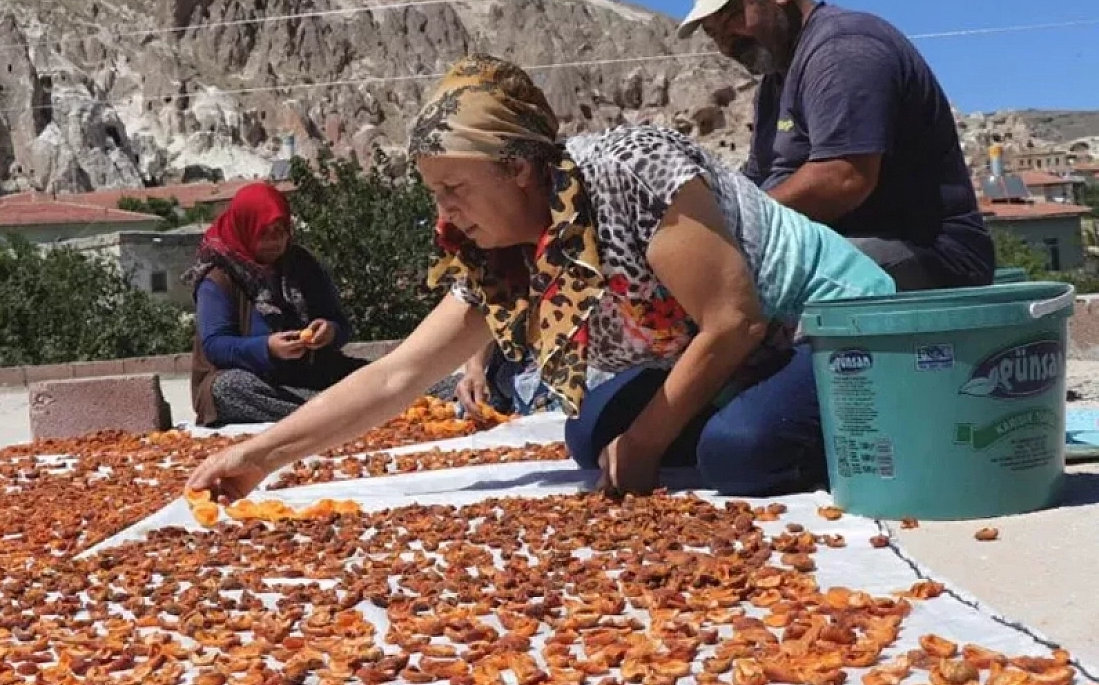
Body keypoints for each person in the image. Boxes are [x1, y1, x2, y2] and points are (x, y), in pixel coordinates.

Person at [187, 54, 895, 502]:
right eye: (435, 194)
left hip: (833, 330)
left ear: (519, 168)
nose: (446, 214)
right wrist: (260, 454)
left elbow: (735, 317)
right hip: (739, 356)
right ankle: (730, 416)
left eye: (454, 189)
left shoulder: (629, 172)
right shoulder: (506, 253)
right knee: (591, 437)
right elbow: (399, 372)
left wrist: (649, 441)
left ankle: (856, 424)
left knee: (739, 455)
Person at [677, 0, 994, 291]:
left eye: (731, 18)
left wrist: (738, 225)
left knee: (736, 289)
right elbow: (758, 181)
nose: (726, 43)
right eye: (713, 33)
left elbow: (842, 178)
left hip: (927, 254)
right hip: (841, 247)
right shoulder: (775, 85)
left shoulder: (843, 49)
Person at [188, 182, 368, 426]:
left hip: (312, 373)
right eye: (264, 233)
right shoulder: (219, 278)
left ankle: (342, 406)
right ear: (246, 229)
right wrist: (267, 348)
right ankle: (340, 410)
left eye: (280, 232)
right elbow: (216, 345)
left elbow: (340, 324)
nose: (274, 242)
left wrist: (329, 331)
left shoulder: (302, 264)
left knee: (388, 373)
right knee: (228, 389)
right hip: (259, 380)